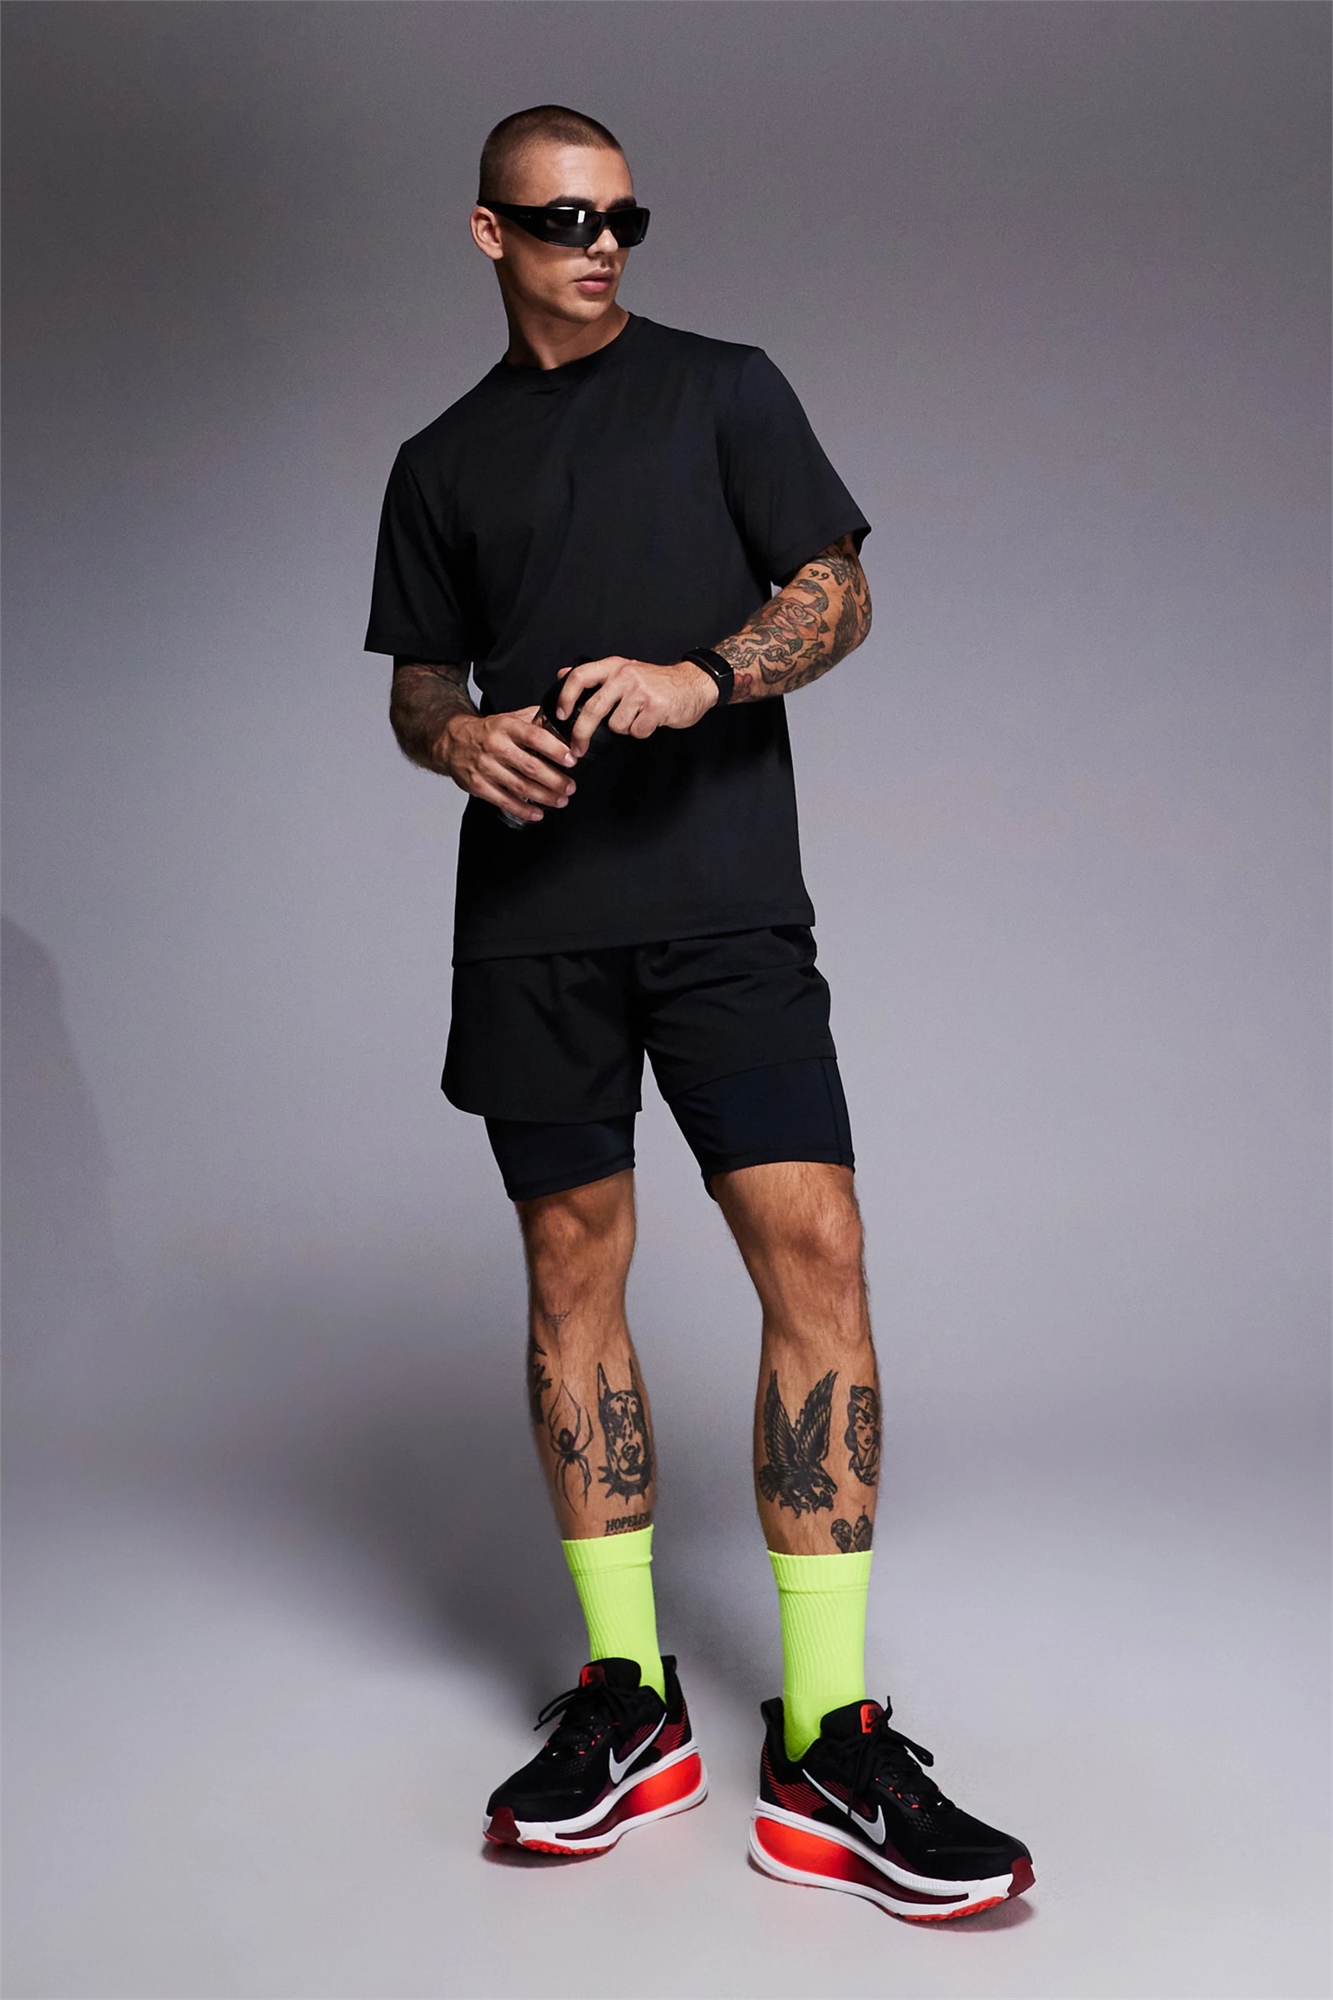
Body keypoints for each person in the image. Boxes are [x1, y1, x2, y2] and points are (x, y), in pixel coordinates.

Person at [366, 103, 1032, 1921]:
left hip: (726, 908)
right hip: (532, 926)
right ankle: (628, 1700)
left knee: (814, 1250)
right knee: (570, 1273)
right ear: (489, 234)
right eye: (562, 219)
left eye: (623, 217)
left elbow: (838, 590)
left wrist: (704, 675)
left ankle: (827, 1737)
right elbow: (418, 682)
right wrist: (457, 739)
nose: (599, 245)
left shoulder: (725, 388)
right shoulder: (437, 460)